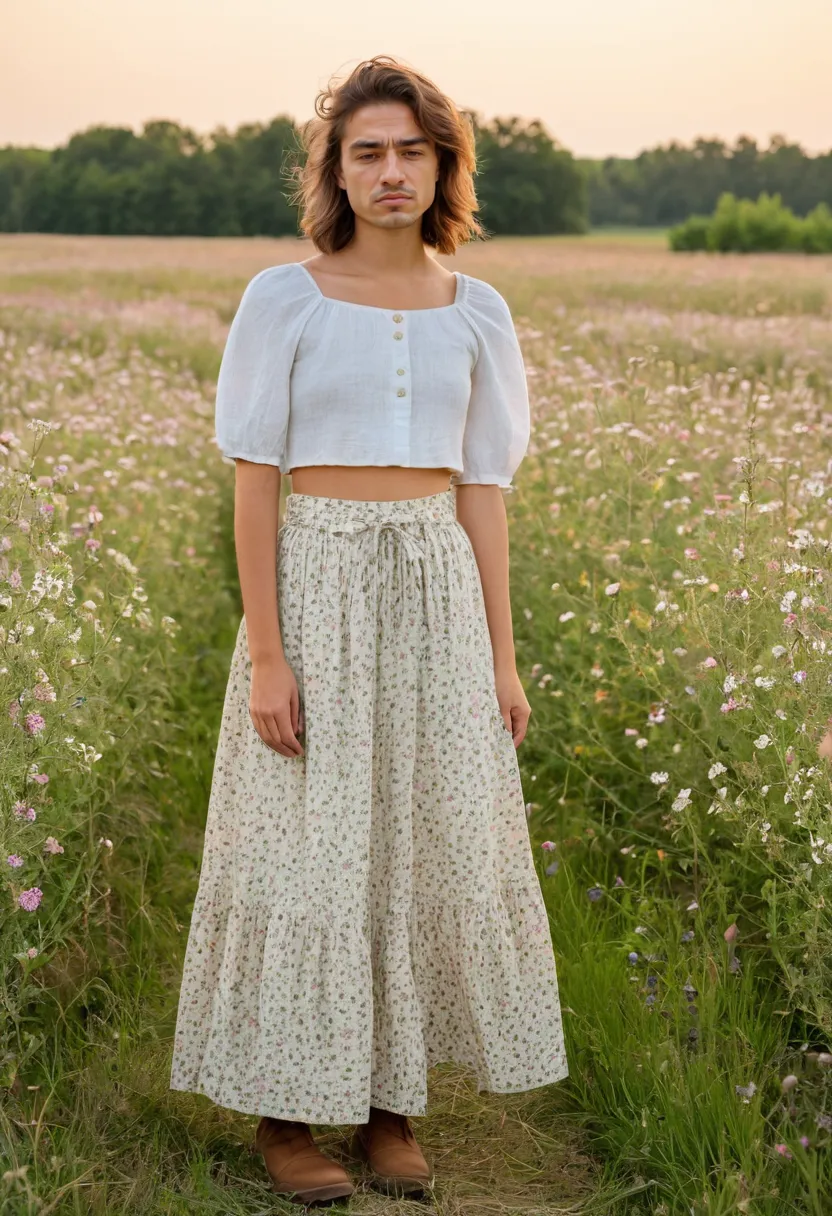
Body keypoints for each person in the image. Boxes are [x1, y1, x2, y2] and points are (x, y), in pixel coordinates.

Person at [169, 53, 569, 1206]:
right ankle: (284, 1111)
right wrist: (269, 654)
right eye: (367, 152)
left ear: (442, 166)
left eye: (411, 151)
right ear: (336, 173)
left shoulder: (478, 311)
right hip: (320, 582)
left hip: (435, 589)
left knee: (416, 838)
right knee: (307, 845)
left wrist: (500, 659)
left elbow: (482, 491)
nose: (391, 171)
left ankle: (392, 1106)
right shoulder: (283, 298)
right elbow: (254, 480)